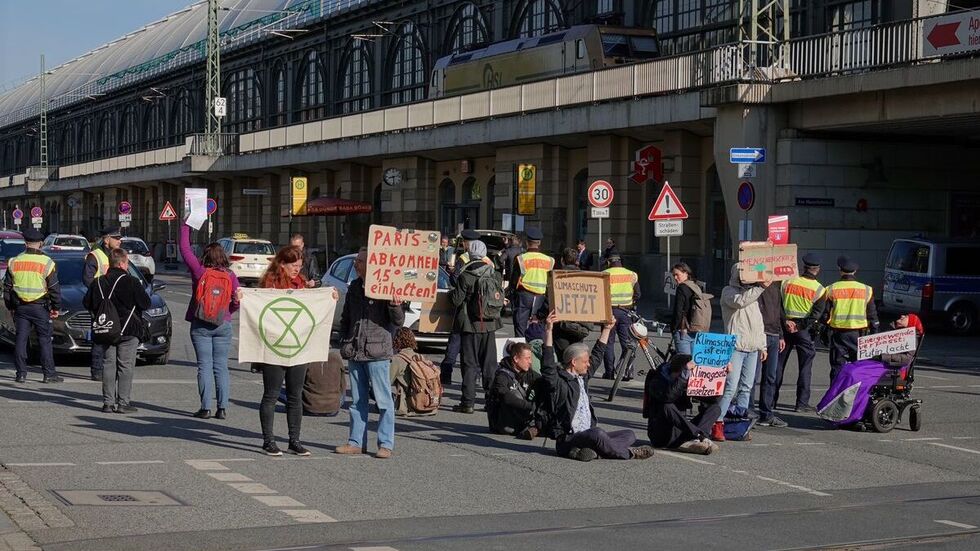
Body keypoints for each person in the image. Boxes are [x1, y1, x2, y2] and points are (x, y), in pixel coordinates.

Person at [540, 311, 654, 462]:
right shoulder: (559, 381)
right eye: (585, 362)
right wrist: (549, 329)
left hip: (587, 434)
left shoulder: (583, 377)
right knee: (598, 434)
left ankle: (593, 451)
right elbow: (548, 364)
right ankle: (629, 453)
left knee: (629, 435)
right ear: (574, 362)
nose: (589, 364)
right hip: (569, 438)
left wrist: (607, 329)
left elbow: (598, 354)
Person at [257, 246, 339, 457]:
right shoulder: (269, 283)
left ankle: (294, 440)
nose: (297, 269)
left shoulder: (301, 282)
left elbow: (310, 310)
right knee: (272, 395)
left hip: (297, 346)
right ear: (282, 263)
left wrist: (329, 298)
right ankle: (269, 440)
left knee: (295, 395)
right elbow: (260, 310)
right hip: (275, 346)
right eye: (294, 265)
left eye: (300, 266)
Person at [335, 248, 403, 459]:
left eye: (360, 261)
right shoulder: (355, 286)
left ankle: (385, 444)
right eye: (356, 260)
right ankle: (356, 442)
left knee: (383, 401)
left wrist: (394, 305)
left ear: (372, 264)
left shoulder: (386, 287)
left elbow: (398, 321)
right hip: (355, 351)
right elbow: (346, 317)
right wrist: (344, 340)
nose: (356, 264)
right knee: (357, 401)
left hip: (377, 352)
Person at [180, 222, 241, 420]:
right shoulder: (231, 276)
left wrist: (186, 225)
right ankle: (222, 408)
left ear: (205, 256)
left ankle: (205, 408)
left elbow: (184, 248)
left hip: (201, 324)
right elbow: (237, 301)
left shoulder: (200, 272)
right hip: (223, 324)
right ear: (223, 256)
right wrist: (226, 313)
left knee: (204, 366)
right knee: (221, 366)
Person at [83, 248, 150, 413]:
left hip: (106, 330)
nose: (127, 265)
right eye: (127, 262)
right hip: (128, 329)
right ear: (122, 263)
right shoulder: (131, 282)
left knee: (108, 364)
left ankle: (107, 403)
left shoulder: (97, 282)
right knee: (125, 365)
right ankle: (123, 403)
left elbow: (87, 303)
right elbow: (145, 304)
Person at [714, 264, 768, 442]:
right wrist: (760, 287)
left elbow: (758, 323)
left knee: (746, 388)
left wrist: (763, 345)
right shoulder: (729, 291)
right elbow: (740, 301)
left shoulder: (754, 293)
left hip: (752, 348)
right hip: (735, 347)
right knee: (731, 387)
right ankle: (718, 423)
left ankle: (740, 424)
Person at [449, 241, 503, 414]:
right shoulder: (494, 273)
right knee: (489, 365)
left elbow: (456, 300)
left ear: (470, 253)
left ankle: (468, 403)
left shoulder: (466, 274)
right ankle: (491, 401)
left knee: (470, 364)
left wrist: (451, 293)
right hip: (490, 324)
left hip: (470, 325)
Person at [3, 228, 62, 384]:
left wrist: (11, 307)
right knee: (44, 340)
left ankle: (21, 374)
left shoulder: (14, 261)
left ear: (25, 243)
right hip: (40, 307)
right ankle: (48, 374)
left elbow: (7, 288)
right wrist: (56, 308)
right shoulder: (47, 263)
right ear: (41, 244)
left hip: (21, 308)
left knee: (21, 340)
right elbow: (54, 288)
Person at [775, 253, 827, 414]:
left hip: (784, 327)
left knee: (778, 365)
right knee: (805, 367)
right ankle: (801, 403)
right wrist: (799, 326)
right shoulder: (819, 289)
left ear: (803, 267)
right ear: (817, 270)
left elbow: (778, 305)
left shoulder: (786, 281)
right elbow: (816, 314)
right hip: (803, 331)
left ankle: (771, 401)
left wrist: (786, 322)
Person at [644, 354, 720, 455]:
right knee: (667, 406)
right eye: (685, 373)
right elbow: (668, 397)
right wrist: (683, 377)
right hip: (661, 435)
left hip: (681, 432)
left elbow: (712, 400)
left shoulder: (684, 381)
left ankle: (698, 439)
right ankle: (699, 436)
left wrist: (722, 376)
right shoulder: (657, 379)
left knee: (715, 408)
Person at [439, 229, 487, 384]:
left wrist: (453, 273)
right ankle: (477, 376)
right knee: (478, 346)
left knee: (455, 342)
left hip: (465, 309)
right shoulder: (488, 260)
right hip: (483, 311)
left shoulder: (463, 258)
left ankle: (446, 374)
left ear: (467, 243)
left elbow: (455, 281)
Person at [826, 256, 878, 382]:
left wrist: (824, 331)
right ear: (855, 271)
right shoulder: (866, 289)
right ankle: (856, 396)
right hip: (859, 334)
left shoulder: (831, 288)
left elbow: (825, 314)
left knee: (837, 366)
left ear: (840, 270)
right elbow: (872, 314)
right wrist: (875, 331)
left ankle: (835, 395)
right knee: (859, 366)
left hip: (838, 333)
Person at [83, 227, 122, 381]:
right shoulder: (95, 256)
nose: (120, 241)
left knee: (117, 336)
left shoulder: (119, 255)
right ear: (107, 240)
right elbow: (87, 279)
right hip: (101, 303)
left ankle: (115, 369)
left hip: (116, 303)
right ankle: (97, 370)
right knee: (100, 336)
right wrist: (102, 293)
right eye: (116, 238)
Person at [487, 341, 541, 437]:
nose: (530, 361)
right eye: (527, 358)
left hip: (520, 415)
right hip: (502, 421)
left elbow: (543, 381)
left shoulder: (528, 372)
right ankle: (531, 427)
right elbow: (504, 396)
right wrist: (530, 406)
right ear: (516, 359)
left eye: (530, 358)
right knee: (514, 393)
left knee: (543, 388)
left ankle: (534, 427)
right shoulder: (502, 375)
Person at [601, 255, 640, 380]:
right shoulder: (632, 275)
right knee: (627, 343)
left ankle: (609, 372)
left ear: (608, 262)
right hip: (625, 312)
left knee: (608, 342)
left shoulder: (603, 274)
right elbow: (638, 294)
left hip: (608, 312)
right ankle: (627, 372)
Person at [510, 227, 554, 338]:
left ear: (527, 242)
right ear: (539, 243)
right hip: (541, 298)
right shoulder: (549, 260)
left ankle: (521, 350)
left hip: (524, 296)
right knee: (539, 328)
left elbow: (514, 281)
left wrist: (510, 295)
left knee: (520, 328)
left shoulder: (521, 258)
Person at [755, 283, 787, 427]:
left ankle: (766, 413)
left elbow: (779, 312)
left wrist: (781, 335)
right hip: (759, 334)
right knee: (752, 377)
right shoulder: (755, 288)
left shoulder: (776, 288)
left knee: (770, 377)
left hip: (774, 335)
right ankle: (748, 413)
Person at [671, 262, 700, 355]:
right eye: (673, 275)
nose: (675, 278)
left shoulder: (681, 288)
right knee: (693, 363)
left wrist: (674, 328)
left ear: (686, 273)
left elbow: (678, 311)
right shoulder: (696, 287)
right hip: (696, 329)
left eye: (677, 275)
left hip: (683, 330)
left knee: (684, 364)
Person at [389, 327, 419, 416]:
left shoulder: (397, 359)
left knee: (374, 388)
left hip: (406, 403)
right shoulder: (419, 357)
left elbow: (387, 381)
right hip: (419, 397)